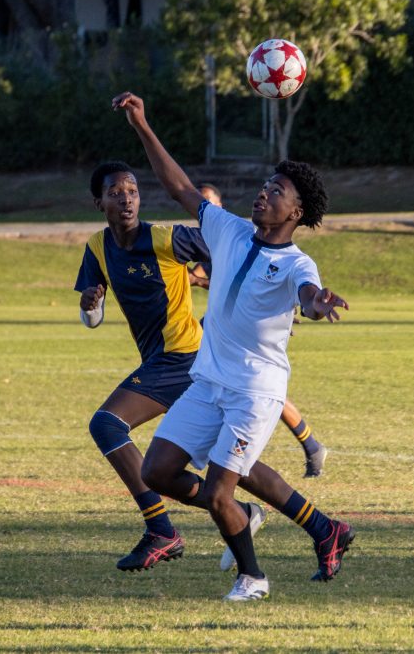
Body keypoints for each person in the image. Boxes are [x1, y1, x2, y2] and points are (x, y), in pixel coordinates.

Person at [113, 91, 355, 602]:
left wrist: (317, 303)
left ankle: (253, 577)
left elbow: (308, 297)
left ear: (298, 210)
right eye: (266, 185)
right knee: (159, 471)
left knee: (223, 486)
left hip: (254, 392)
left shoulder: (296, 264)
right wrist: (142, 123)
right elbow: (178, 184)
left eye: (278, 190)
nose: (264, 193)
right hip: (209, 381)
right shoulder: (228, 229)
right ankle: (319, 528)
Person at [75, 160, 266, 572]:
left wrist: (248, 300)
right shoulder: (96, 247)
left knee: (107, 424)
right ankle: (289, 521)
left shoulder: (166, 238)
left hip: (183, 357)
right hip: (168, 361)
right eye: (114, 192)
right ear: (98, 202)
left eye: (132, 190)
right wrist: (90, 304)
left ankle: (161, 529)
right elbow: (92, 316)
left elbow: (230, 249)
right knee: (224, 458)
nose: (125, 198)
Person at [190, 181, 330, 478]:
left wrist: (312, 305)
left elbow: (302, 290)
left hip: (250, 352)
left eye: (210, 201)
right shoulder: (219, 234)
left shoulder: (237, 233)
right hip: (223, 328)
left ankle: (310, 444)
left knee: (258, 393)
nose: (264, 193)